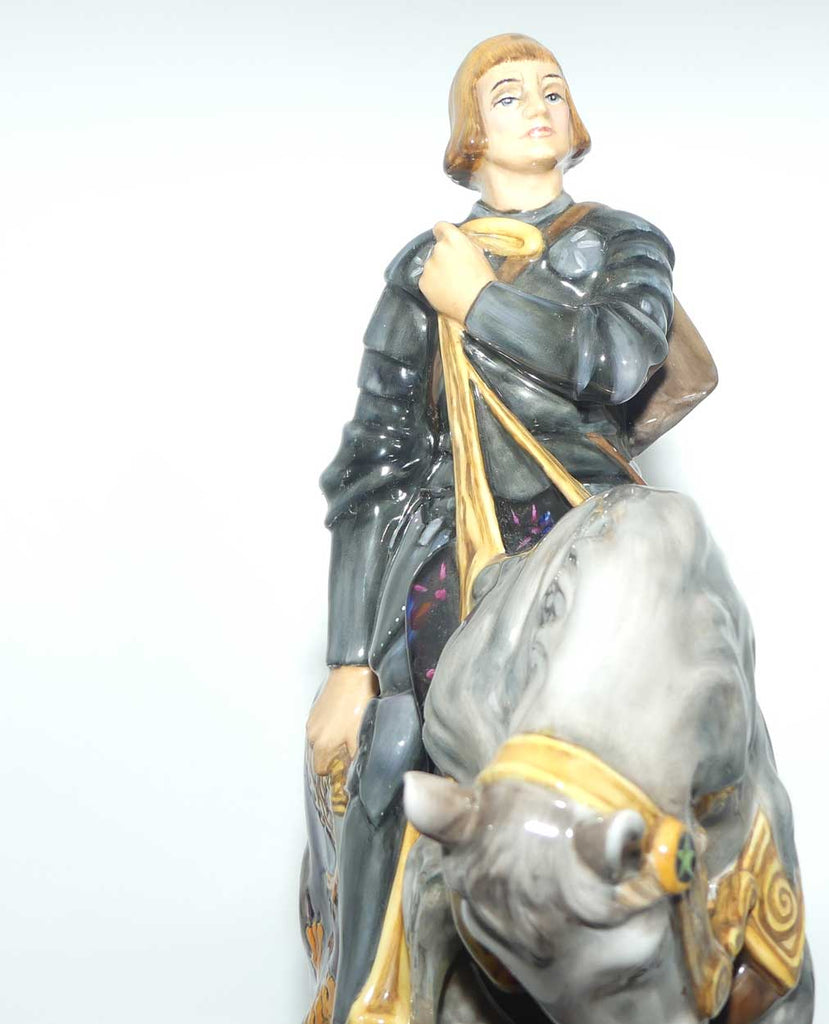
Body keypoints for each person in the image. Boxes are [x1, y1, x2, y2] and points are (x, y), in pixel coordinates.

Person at [300, 33, 687, 1024]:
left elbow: (617, 359)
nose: (538, 106)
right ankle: (372, 993)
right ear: (470, 135)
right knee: (394, 747)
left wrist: (479, 301)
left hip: (589, 529)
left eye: (552, 90)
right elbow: (376, 458)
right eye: (508, 95)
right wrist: (349, 660)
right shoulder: (421, 267)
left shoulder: (624, 242)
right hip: (458, 546)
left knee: (679, 717)